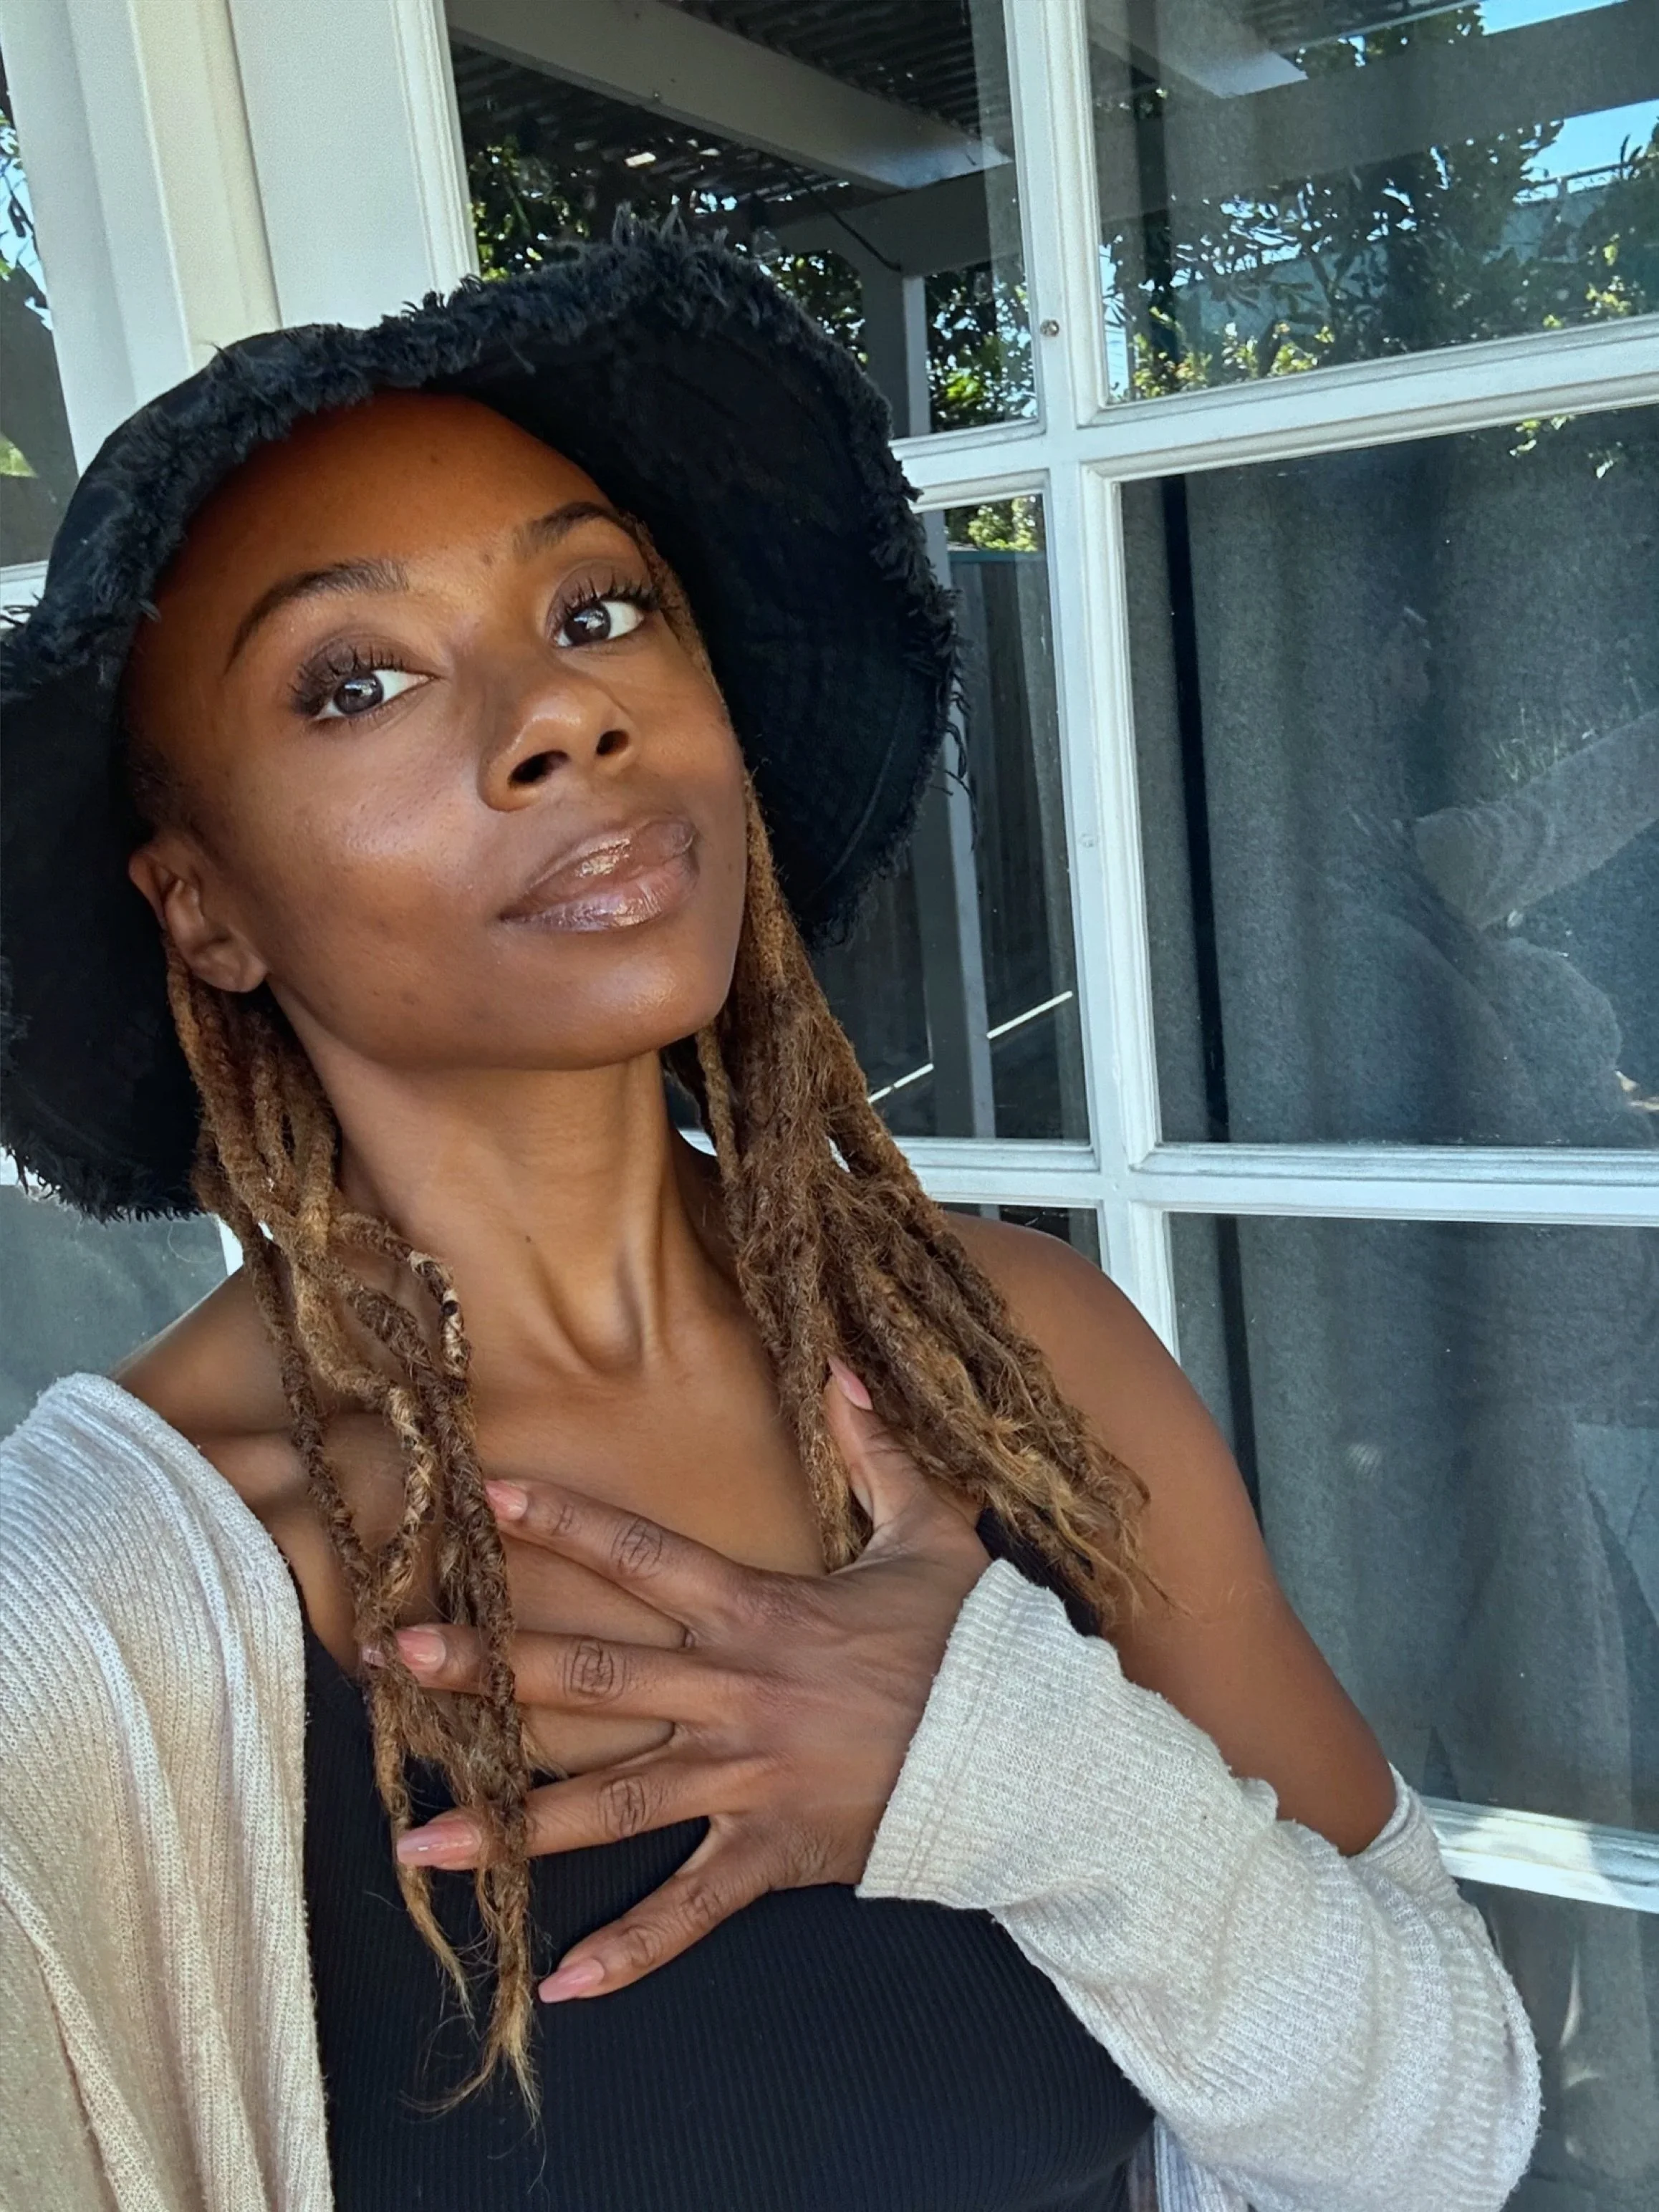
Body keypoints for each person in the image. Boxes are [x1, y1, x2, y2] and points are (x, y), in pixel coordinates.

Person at [0, 231, 1538, 2212]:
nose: (559, 717)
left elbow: (1444, 2129)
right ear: (197, 902)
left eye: (600, 604)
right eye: (355, 678)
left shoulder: (1014, 1357)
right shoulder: (91, 1635)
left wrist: (1016, 1772)